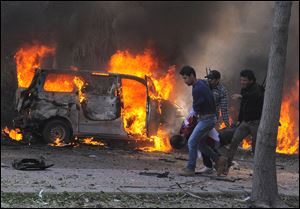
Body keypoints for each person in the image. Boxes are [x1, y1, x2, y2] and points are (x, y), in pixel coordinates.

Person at [179, 65, 223, 177]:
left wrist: (189, 118)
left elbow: (197, 107)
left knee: (192, 142)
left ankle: (190, 168)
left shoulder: (197, 88)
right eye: (183, 78)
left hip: (206, 120)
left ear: (192, 76)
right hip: (208, 118)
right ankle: (218, 159)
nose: (184, 81)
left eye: (185, 78)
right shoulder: (201, 83)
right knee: (200, 144)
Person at [220, 69, 264, 175]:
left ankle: (258, 172)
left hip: (256, 123)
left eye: (244, 80)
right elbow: (243, 107)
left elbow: (255, 97)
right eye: (241, 80)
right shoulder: (244, 90)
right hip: (245, 122)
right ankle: (226, 167)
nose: (242, 82)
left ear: (251, 80)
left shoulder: (257, 89)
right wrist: (239, 120)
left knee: (256, 148)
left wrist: (242, 96)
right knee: (234, 141)